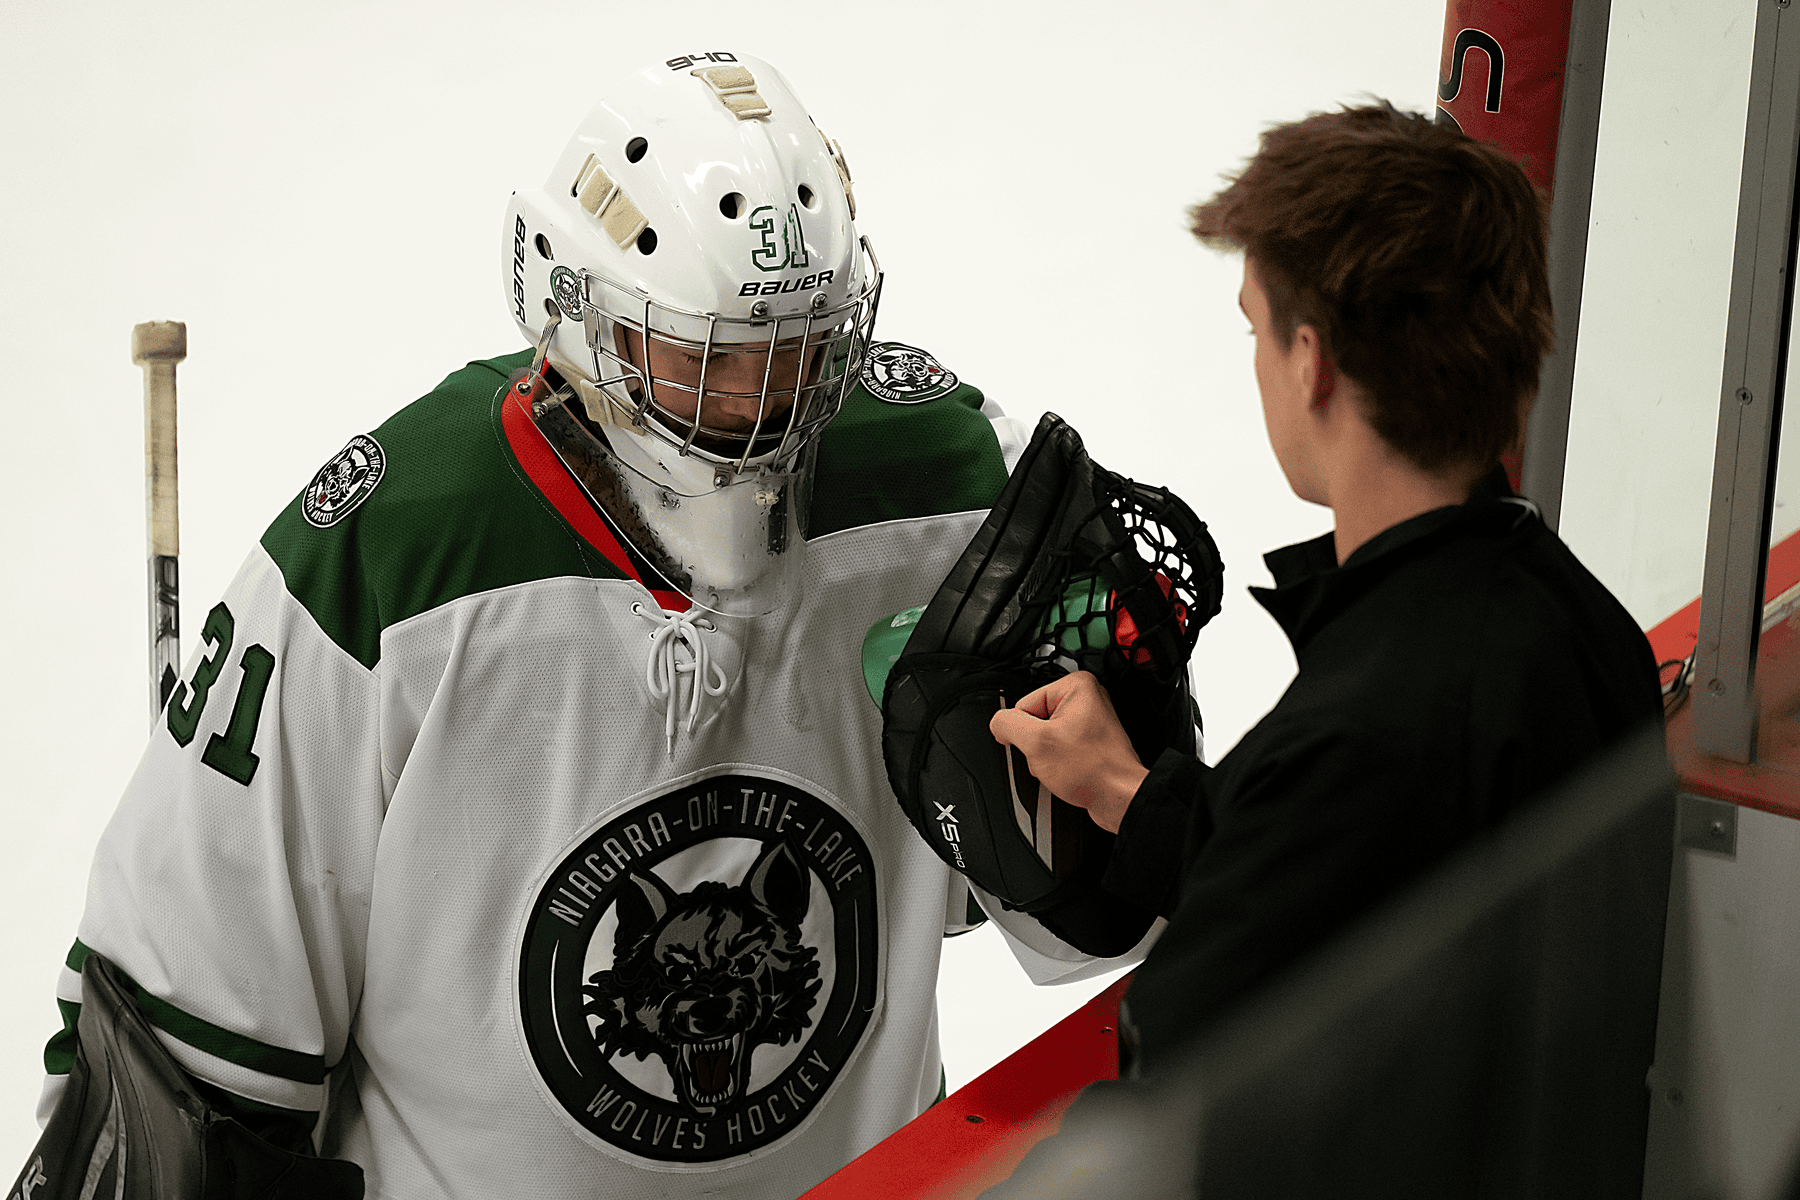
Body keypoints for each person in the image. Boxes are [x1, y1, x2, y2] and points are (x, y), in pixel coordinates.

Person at [30, 55, 1130, 1199]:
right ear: (572, 313)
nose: (757, 408)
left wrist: (1116, 787)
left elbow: (1113, 910)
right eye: (708, 358)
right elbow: (184, 1068)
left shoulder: (947, 489)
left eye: (797, 351)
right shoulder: (384, 564)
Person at [990, 101, 1664, 1071]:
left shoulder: (1354, 743)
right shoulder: (1589, 633)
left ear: (1312, 364)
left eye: (1258, 329)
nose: (1257, 362)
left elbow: (1162, 1129)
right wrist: (1130, 793)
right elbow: (1368, 888)